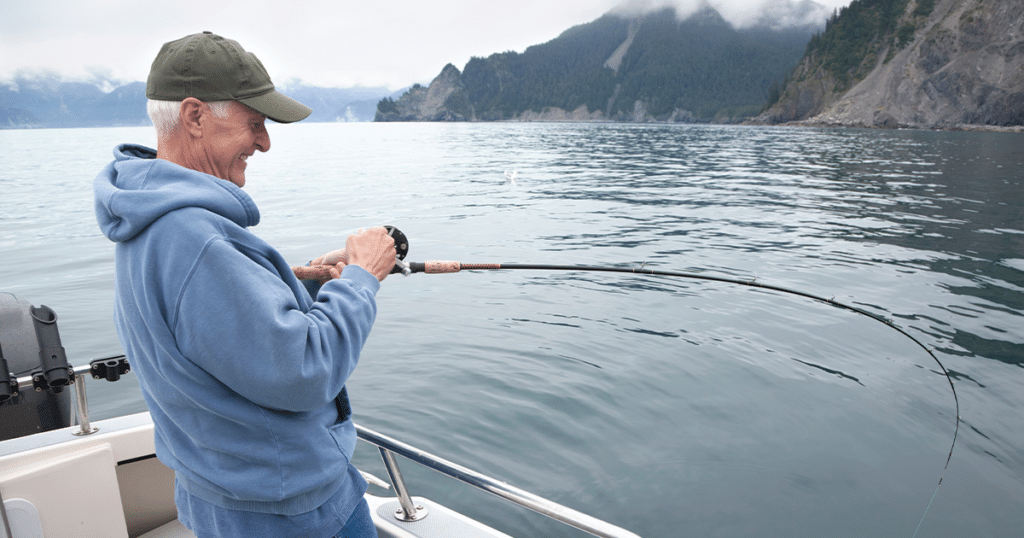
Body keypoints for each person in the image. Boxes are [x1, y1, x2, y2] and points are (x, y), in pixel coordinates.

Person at [93, 31, 395, 538]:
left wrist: (304, 289)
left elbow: (211, 340)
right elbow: (304, 370)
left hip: (220, 492)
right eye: (254, 123)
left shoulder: (146, 219)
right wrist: (361, 279)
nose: (265, 142)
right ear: (194, 116)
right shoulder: (195, 239)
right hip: (287, 511)